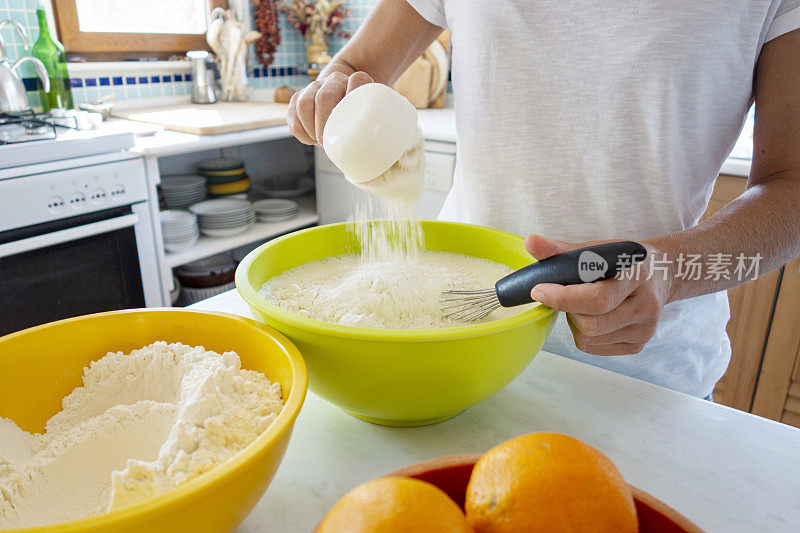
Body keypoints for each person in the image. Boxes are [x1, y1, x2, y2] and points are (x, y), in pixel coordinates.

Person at [286, 0, 800, 399]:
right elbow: (356, 64)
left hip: (639, 372)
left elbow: (791, 182)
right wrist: (331, 92)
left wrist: (669, 269)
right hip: (450, 338)